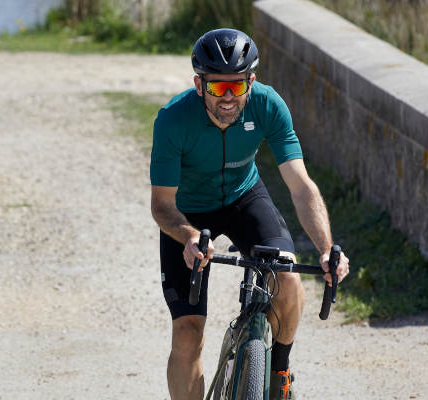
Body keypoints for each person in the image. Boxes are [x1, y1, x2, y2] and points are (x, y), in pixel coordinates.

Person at [149, 28, 351, 400]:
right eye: (217, 88)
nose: (228, 98)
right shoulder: (173, 120)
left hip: (244, 198)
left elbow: (301, 185)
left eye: (237, 88)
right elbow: (161, 205)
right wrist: (190, 237)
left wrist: (325, 247)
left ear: (251, 82)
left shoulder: (268, 104)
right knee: (188, 332)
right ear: (199, 84)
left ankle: (279, 370)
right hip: (190, 214)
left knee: (288, 279)